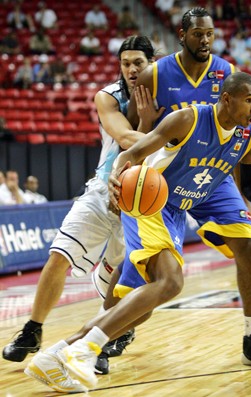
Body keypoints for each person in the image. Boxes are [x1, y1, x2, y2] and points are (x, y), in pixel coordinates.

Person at [24, 72, 251, 393]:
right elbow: (131, 153)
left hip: (175, 211)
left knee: (137, 311)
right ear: (227, 99)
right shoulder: (187, 119)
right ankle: (84, 351)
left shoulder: (249, 135)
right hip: (150, 200)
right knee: (171, 282)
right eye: (249, 100)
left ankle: (56, 355)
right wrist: (115, 179)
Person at [127, 6, 251, 368]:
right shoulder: (155, 74)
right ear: (182, 35)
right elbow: (136, 134)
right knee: (147, 269)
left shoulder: (227, 73)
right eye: (199, 34)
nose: (206, 40)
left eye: (211, 34)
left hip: (213, 174)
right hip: (165, 175)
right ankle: (115, 330)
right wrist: (126, 178)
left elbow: (241, 147)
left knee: (247, 243)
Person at [3, 35, 162, 392]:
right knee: (59, 255)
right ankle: (32, 329)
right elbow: (124, 138)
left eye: (139, 62)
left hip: (144, 202)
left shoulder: (169, 95)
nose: (133, 69)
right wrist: (161, 131)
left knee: (118, 282)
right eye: (126, 63)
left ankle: (101, 340)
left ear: (152, 62)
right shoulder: (107, 96)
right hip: (105, 188)